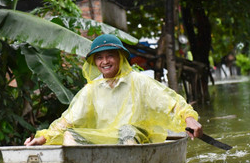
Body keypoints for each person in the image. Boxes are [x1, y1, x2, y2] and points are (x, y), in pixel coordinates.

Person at [24, 34, 202, 146]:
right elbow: (66, 122)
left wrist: (190, 120)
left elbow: (171, 103)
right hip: (103, 143)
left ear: (120, 58)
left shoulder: (139, 82)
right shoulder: (91, 90)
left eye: (110, 55)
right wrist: (42, 138)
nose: (105, 61)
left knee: (127, 132)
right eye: (99, 57)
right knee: (70, 135)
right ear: (94, 62)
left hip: (135, 138)